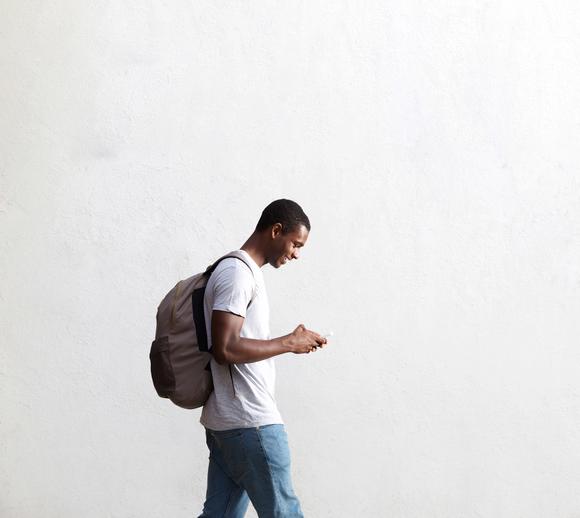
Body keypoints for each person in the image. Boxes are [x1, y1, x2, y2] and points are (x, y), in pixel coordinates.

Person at [198, 199, 328, 518]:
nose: (296, 253)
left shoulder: (236, 270)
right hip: (251, 420)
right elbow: (225, 348)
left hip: (229, 422)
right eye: (295, 244)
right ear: (276, 230)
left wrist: (291, 340)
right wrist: (288, 342)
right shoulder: (238, 274)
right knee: (285, 513)